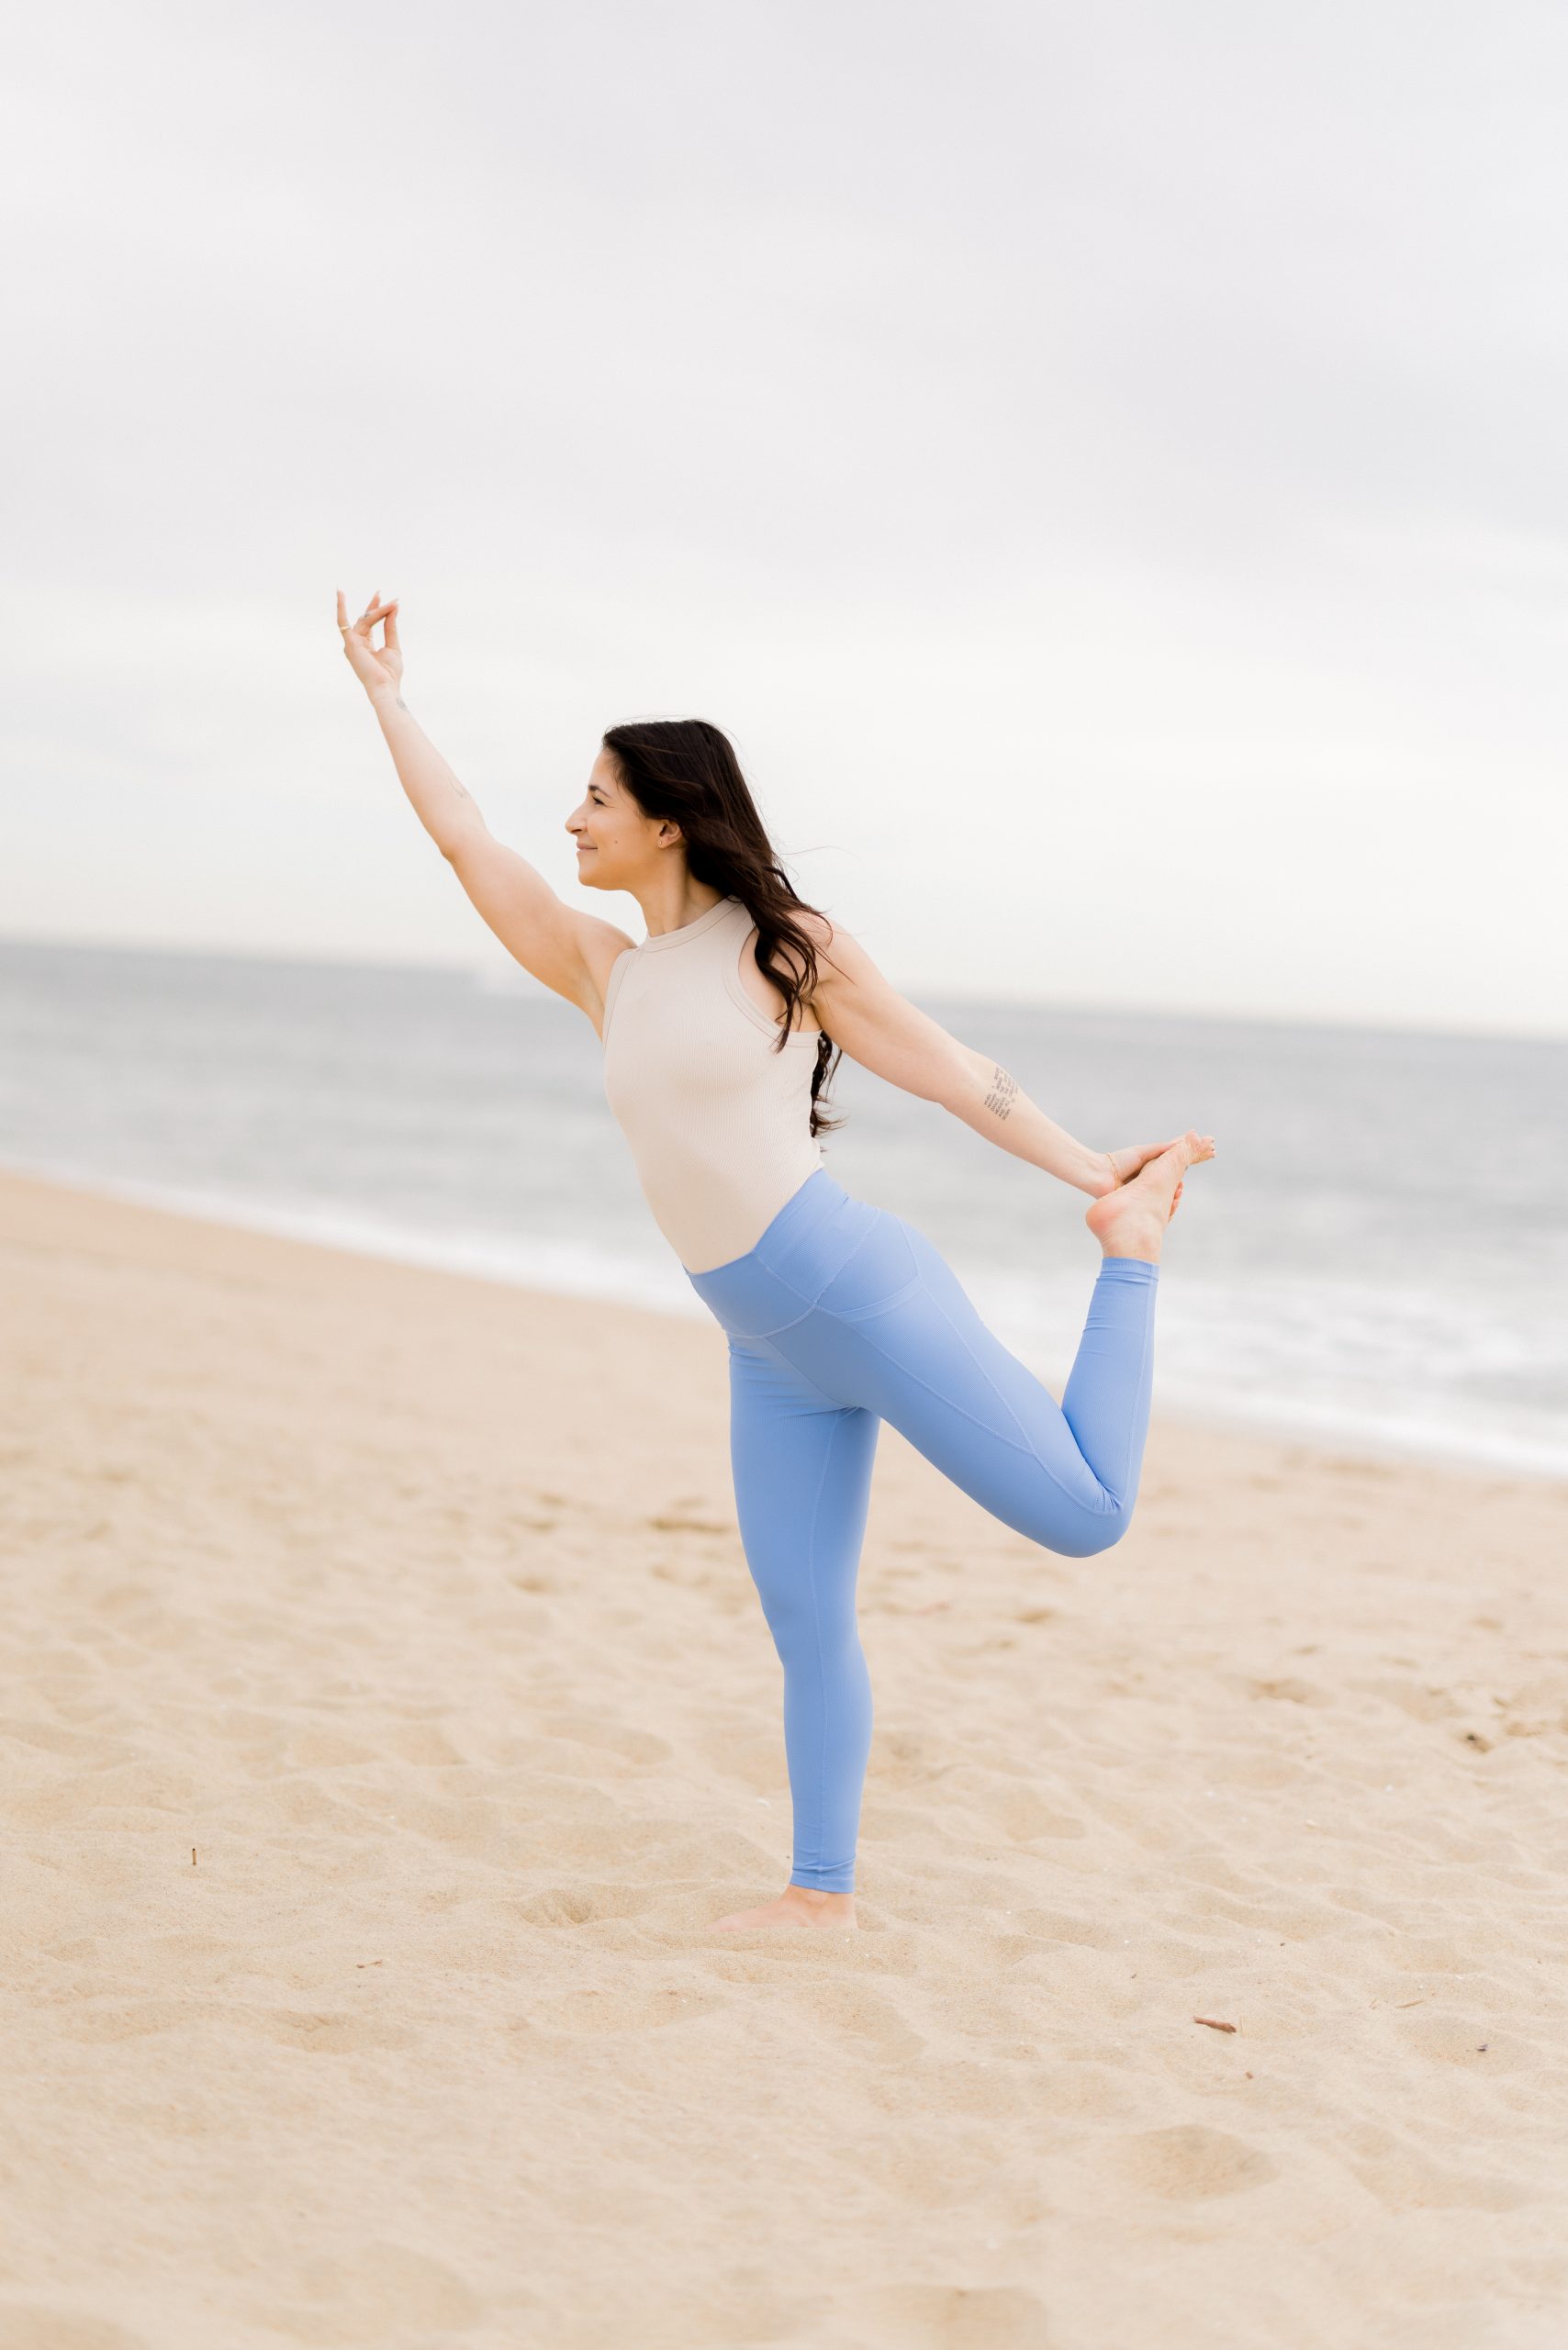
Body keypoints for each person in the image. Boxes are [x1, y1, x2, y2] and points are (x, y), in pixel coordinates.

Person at [338, 590, 1216, 1934]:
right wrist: (386, 696)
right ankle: (822, 1895)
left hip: (856, 1287)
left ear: (668, 820)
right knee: (806, 1617)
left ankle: (1132, 1256)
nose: (569, 820)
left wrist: (1096, 1175)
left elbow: (947, 1070)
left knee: (1085, 1518)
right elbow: (465, 844)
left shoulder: (780, 948)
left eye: (593, 798)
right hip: (764, 1343)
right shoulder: (606, 973)